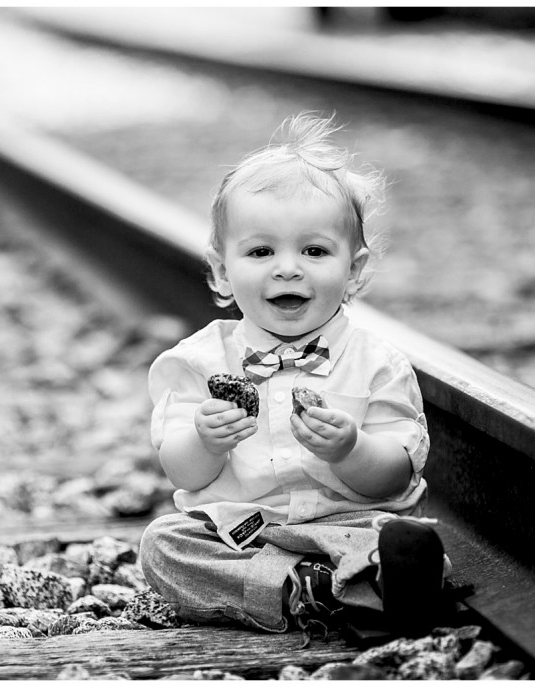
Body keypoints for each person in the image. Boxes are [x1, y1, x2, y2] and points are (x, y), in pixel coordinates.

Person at [140, 112, 449, 644]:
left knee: (403, 538)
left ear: (352, 269)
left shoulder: (376, 362)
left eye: (314, 251)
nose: (288, 268)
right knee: (166, 545)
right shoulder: (198, 361)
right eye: (261, 252)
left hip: (347, 523)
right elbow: (183, 474)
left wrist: (350, 449)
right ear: (220, 270)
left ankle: (361, 580)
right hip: (245, 532)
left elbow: (395, 480)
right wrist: (205, 441)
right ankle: (319, 592)